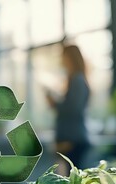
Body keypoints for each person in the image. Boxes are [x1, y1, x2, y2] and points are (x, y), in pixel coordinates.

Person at [46, 45, 90, 174]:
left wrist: (54, 103)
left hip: (72, 140)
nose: (61, 60)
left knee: (73, 182)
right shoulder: (75, 80)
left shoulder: (77, 80)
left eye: (63, 56)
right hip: (72, 139)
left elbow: (73, 109)